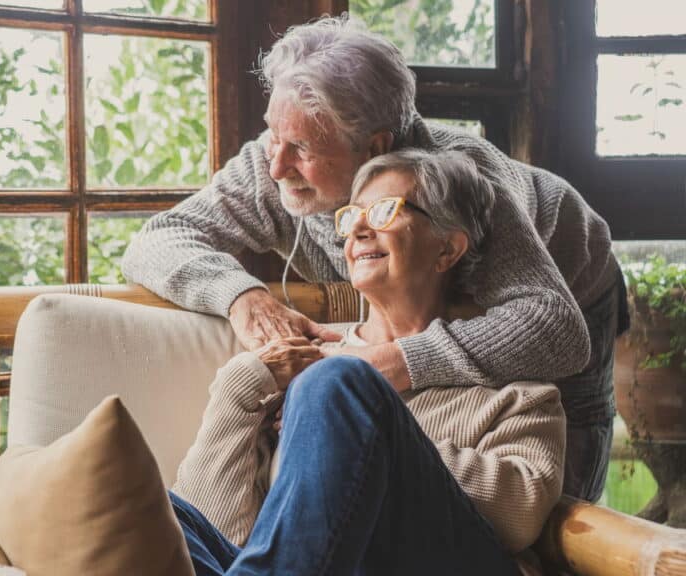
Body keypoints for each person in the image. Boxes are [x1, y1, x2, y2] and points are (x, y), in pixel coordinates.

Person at [121, 14, 622, 501]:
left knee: (565, 507)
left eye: (300, 147)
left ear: (374, 146)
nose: (276, 166)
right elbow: (157, 239)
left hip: (574, 279)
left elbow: (558, 330)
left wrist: (381, 366)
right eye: (274, 135)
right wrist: (243, 297)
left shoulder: (461, 182)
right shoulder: (270, 162)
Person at [169, 149, 564, 575]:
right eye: (351, 215)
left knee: (336, 382)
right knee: (127, 492)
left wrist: (372, 430)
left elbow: (521, 513)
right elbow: (221, 535)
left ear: (447, 248)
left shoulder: (514, 393)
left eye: (382, 211)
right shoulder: (294, 373)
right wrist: (246, 382)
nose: (356, 226)